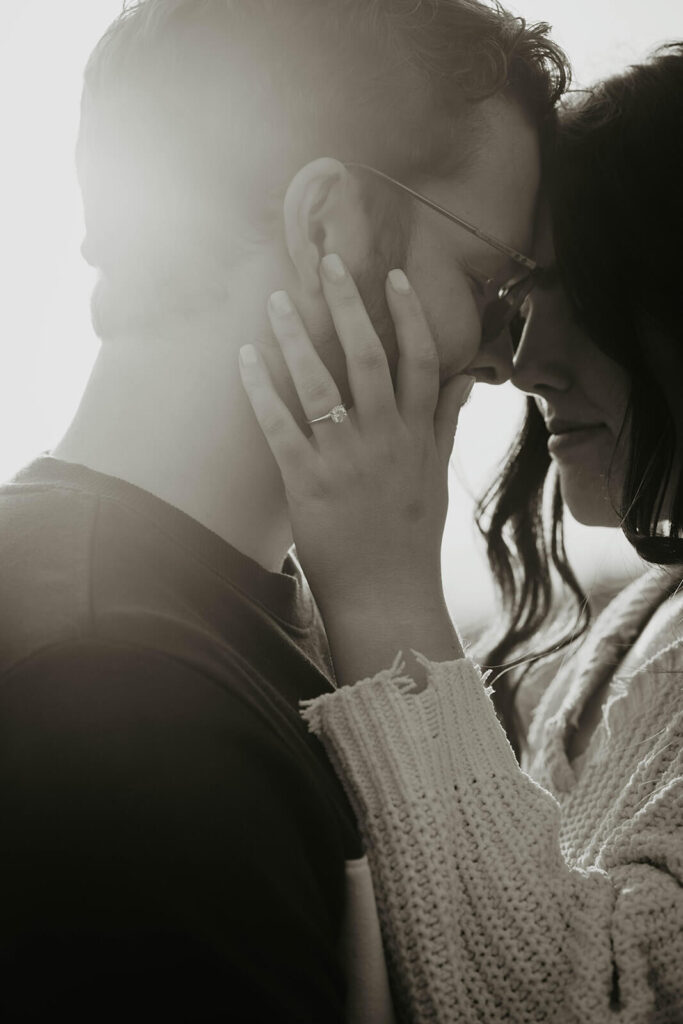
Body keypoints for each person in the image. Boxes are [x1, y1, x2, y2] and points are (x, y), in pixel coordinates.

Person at [0, 1, 569, 1020]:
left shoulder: (223, 611)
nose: (505, 358)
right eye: (492, 286)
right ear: (323, 227)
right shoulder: (112, 696)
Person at [239, 44, 683, 1023]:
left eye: (587, 298)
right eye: (518, 299)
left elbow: (588, 1000)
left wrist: (383, 585)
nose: (524, 364)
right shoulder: (643, 616)